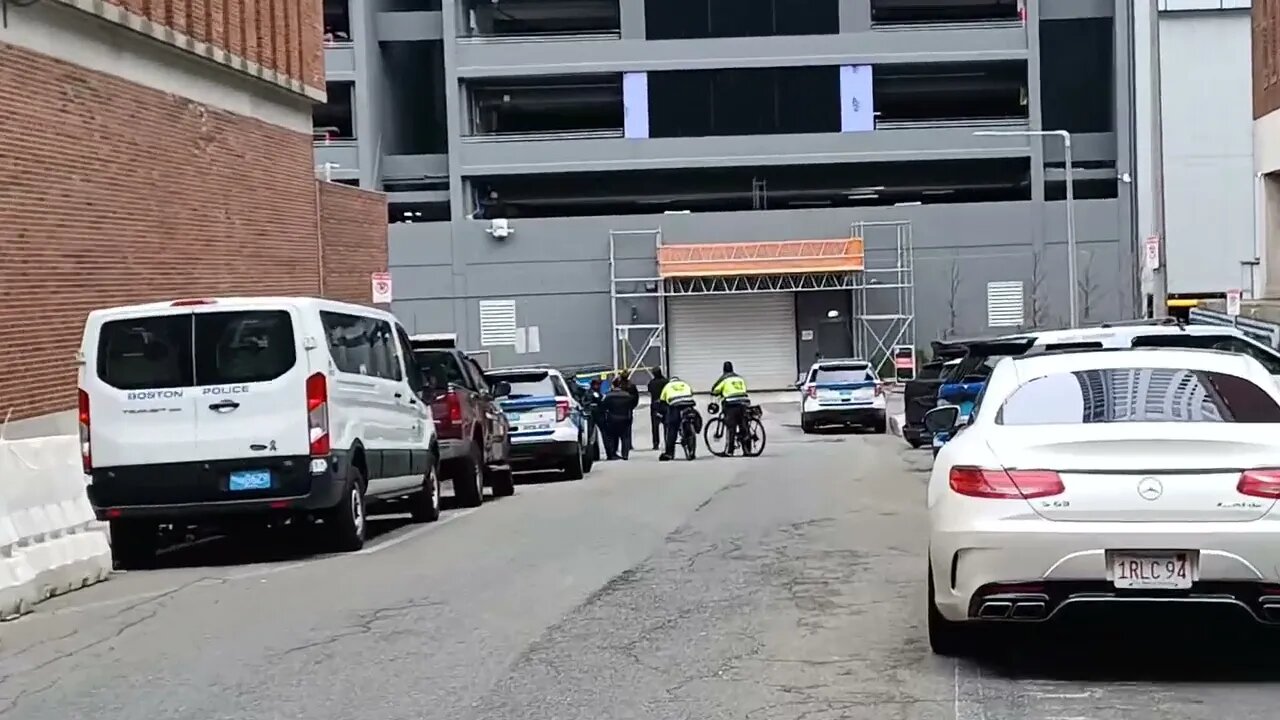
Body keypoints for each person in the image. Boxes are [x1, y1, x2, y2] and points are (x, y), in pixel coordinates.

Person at [711, 361, 751, 454]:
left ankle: (730, 450)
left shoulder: (724, 378)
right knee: (743, 424)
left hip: (731, 403)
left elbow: (715, 389)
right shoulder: (739, 378)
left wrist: (717, 393)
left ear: (724, 369)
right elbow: (744, 389)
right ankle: (747, 449)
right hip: (744, 402)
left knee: (731, 426)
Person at [657, 375, 697, 461]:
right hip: (688, 403)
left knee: (672, 428)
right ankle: (691, 447)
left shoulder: (667, 386)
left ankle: (669, 453)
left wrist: (660, 413)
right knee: (690, 418)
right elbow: (691, 393)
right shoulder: (684, 384)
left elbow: (662, 401)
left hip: (675, 405)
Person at [600, 379, 638, 460]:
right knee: (625, 437)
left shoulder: (608, 396)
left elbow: (603, 407)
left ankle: (613, 452)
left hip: (612, 418)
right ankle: (625, 454)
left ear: (613, 385)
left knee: (613, 436)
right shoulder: (627, 395)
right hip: (625, 418)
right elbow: (632, 405)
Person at [646, 369, 669, 450]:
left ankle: (656, 443)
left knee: (655, 426)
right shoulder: (666, 381)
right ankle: (667, 441)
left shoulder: (652, 383)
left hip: (655, 405)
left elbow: (649, 390)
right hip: (665, 404)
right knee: (666, 424)